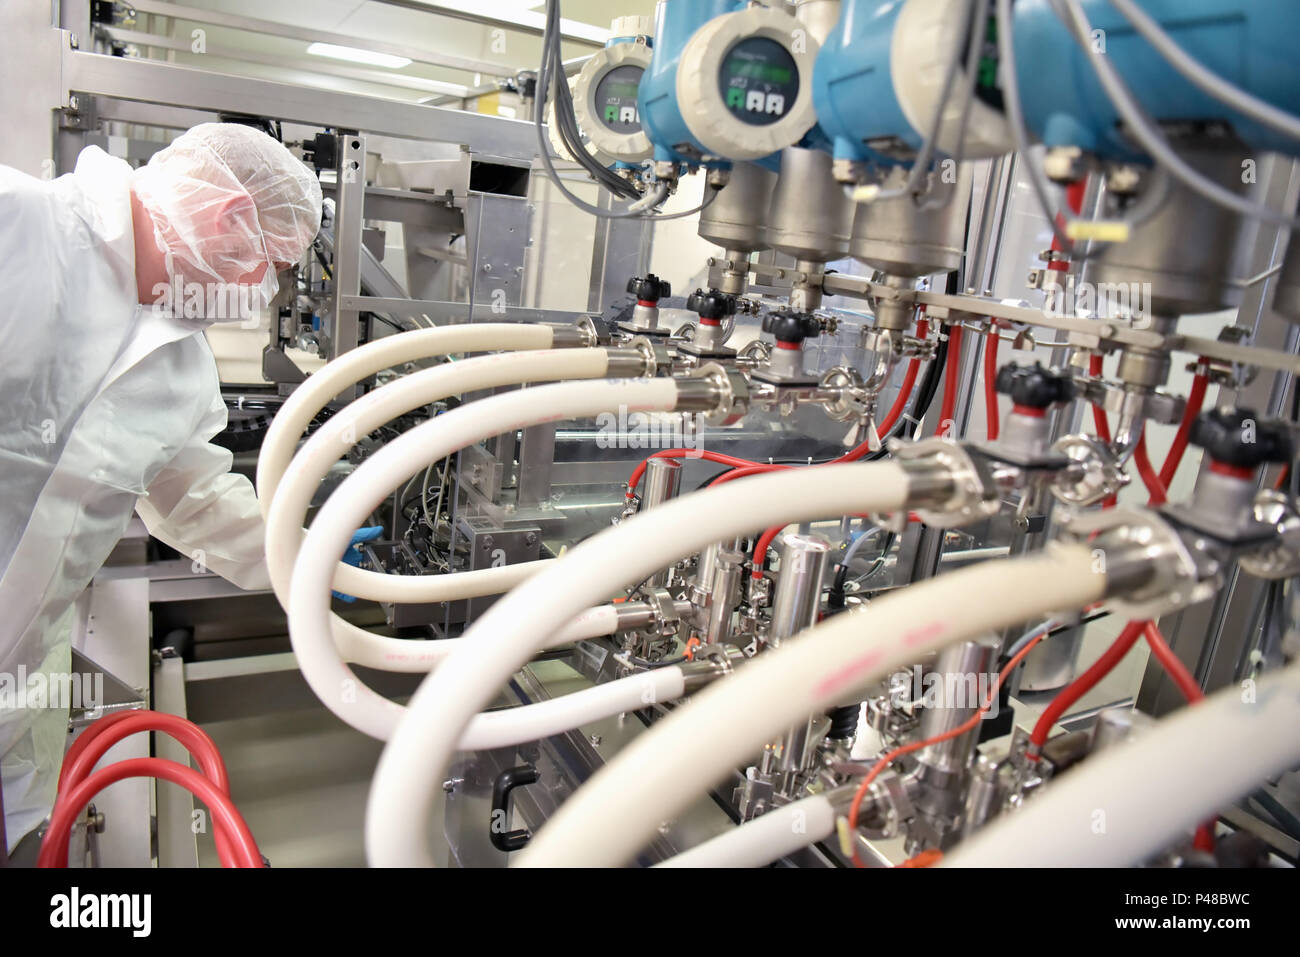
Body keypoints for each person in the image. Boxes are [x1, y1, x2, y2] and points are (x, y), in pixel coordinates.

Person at [0, 122, 323, 853]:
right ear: (226, 220)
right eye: (270, 263)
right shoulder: (19, 227)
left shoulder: (182, 371)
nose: (264, 290)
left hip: (14, 692)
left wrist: (311, 556)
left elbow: (197, 504)